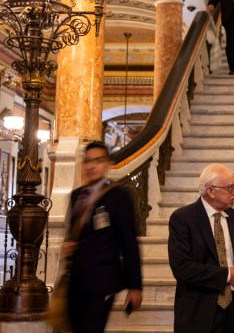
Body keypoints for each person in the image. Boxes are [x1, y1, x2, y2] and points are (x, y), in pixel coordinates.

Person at [62, 141, 143, 333]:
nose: (91, 166)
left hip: (103, 282)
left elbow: (129, 243)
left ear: (107, 164)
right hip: (76, 281)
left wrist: (135, 286)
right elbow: (75, 233)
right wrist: (68, 246)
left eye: (97, 161)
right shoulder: (76, 196)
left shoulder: (119, 197)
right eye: (88, 161)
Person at [168, 164, 234, 333]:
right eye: (230, 187)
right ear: (211, 191)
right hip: (199, 313)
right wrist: (226, 275)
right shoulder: (183, 219)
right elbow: (181, 268)